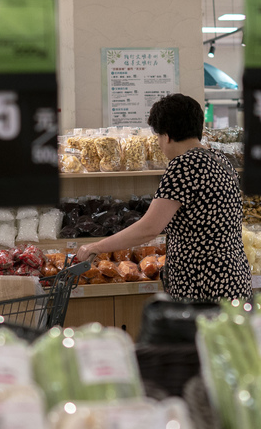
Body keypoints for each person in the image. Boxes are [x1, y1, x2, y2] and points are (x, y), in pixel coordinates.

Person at [75, 94, 251, 301]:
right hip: (233, 274)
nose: (159, 143)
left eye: (158, 137)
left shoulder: (184, 165)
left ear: (167, 135)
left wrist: (95, 247)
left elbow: (149, 228)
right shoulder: (221, 160)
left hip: (203, 281)